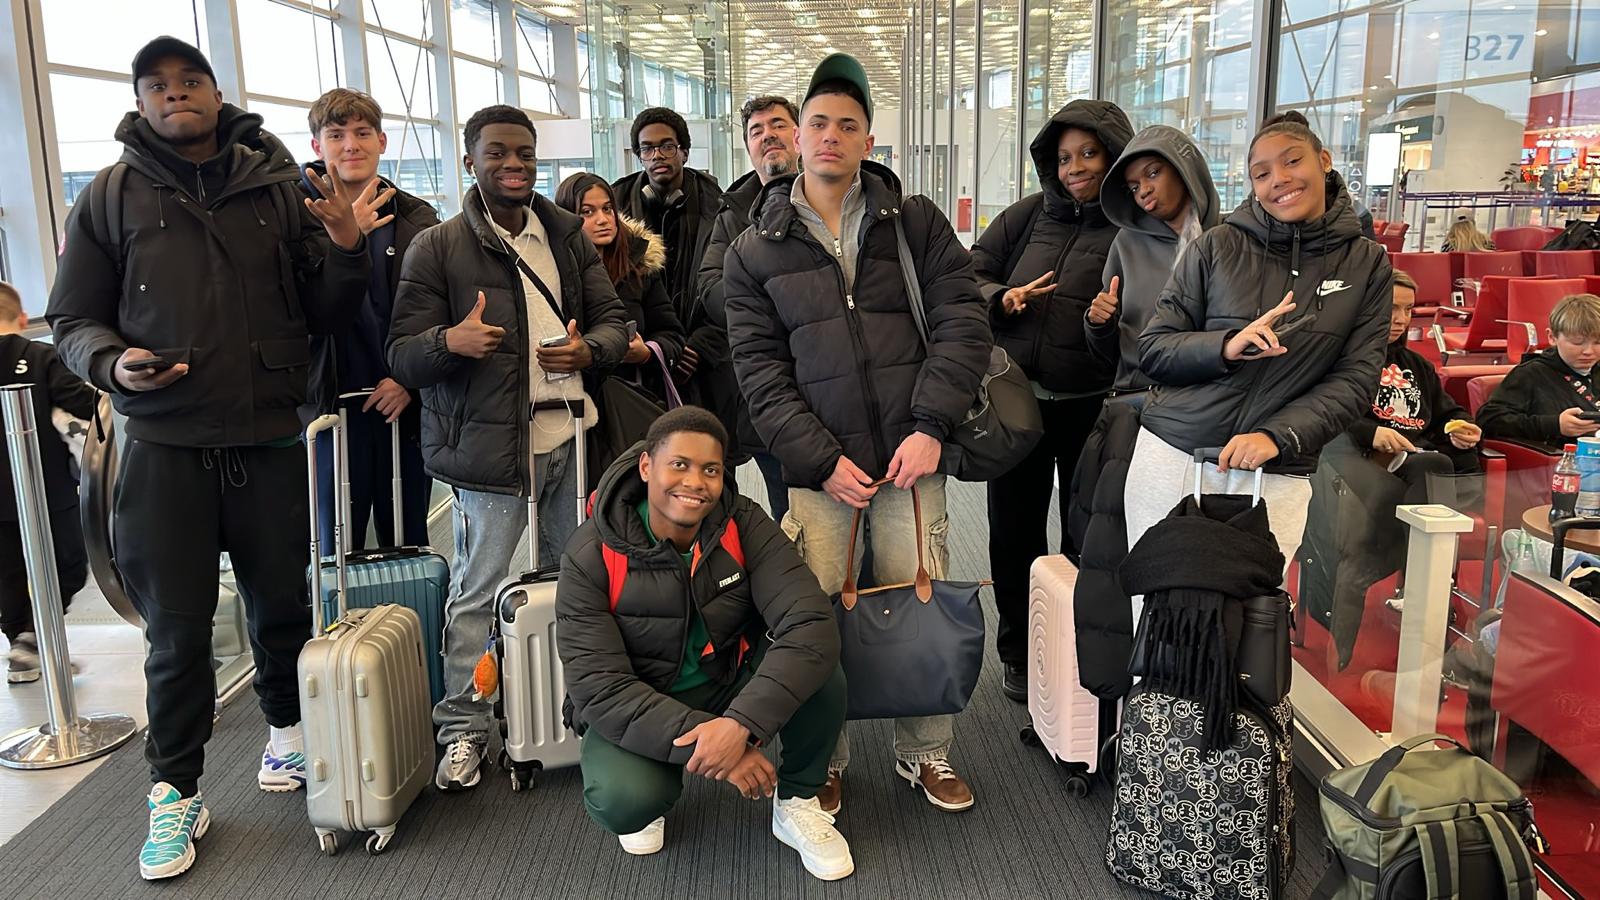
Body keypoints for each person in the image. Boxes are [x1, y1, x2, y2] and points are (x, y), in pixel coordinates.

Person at [45, 36, 377, 880]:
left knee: (282, 607)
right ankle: (176, 790)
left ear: (215, 92)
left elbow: (327, 313)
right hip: (164, 448)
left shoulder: (278, 188)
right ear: (140, 102)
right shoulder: (110, 196)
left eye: (189, 80)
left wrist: (345, 247)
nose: (175, 94)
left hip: (266, 437)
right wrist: (111, 364)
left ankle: (287, 735)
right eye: (157, 86)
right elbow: (73, 319)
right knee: (176, 632)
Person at [724, 53, 992, 814]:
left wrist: (932, 426)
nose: (831, 136)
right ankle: (824, 758)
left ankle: (926, 751)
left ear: (868, 141)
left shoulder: (915, 223)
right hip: (822, 473)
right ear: (796, 137)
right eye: (818, 123)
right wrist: (817, 460)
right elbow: (760, 374)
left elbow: (962, 324)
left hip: (913, 461)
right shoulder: (754, 249)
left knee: (920, 600)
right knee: (814, 617)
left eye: (848, 125)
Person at [387, 104, 628, 793]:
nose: (514, 164)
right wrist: (449, 342)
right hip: (489, 454)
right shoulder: (437, 247)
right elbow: (402, 355)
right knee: (478, 591)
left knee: (575, 586)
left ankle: (567, 715)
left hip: (569, 440)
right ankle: (463, 727)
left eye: (524, 152)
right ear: (471, 161)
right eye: (497, 153)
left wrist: (590, 350)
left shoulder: (567, 236)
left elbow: (613, 321)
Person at [558, 406, 852, 880]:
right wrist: (725, 750)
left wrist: (741, 724)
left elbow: (810, 623)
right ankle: (656, 787)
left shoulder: (743, 522)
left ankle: (797, 799)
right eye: (680, 465)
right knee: (623, 801)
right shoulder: (590, 551)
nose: (695, 482)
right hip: (644, 695)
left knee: (819, 667)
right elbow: (600, 688)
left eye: (710, 470)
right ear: (647, 466)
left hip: (728, 678)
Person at [1124, 110, 1392, 570]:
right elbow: (1154, 348)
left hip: (1277, 468)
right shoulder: (1216, 246)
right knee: (1157, 603)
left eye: (1292, 161)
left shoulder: (1367, 264)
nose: (1278, 180)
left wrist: (1278, 435)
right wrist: (1225, 346)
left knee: (1256, 608)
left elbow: (1356, 378)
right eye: (1261, 173)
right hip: (1175, 452)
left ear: (1324, 160)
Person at [970, 99, 1131, 701]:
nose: (1075, 168)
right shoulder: (1027, 216)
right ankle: (1020, 651)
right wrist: (1001, 297)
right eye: (1064, 158)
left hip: (1094, 404)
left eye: (1088, 153)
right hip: (1018, 403)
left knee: (1084, 536)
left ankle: (1071, 652)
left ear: (1114, 156)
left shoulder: (1131, 227)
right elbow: (968, 273)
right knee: (1013, 533)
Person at [1066, 125, 1220, 703]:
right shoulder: (1127, 245)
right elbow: (1109, 354)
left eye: (1153, 174)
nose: (1144, 191)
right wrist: (1098, 323)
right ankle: (1123, 695)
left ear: (1187, 170)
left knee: (1195, 566)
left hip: (1210, 424)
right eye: (1133, 185)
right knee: (1120, 557)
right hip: (1138, 416)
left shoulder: (1229, 241)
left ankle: (1186, 692)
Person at [1301, 271, 1483, 665]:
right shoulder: (1339, 359)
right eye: (1391, 309)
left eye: (1408, 310)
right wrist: (1371, 433)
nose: (1401, 319)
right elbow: (1321, 414)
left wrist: (1458, 427)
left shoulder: (1417, 365)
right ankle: (1428, 588)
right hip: (1350, 467)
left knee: (1435, 463)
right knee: (1435, 471)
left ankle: (1403, 581)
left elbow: (1445, 412)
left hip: (1414, 465)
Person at [302, 88, 439, 550]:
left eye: (362, 133)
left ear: (382, 141)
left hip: (402, 404)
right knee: (335, 548)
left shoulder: (417, 219)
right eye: (336, 135)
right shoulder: (295, 219)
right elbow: (293, 307)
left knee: (409, 542)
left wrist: (410, 381)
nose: (351, 146)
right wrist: (346, 237)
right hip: (328, 408)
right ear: (318, 146)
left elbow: (438, 310)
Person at [698, 95, 803, 519]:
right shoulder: (733, 213)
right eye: (756, 131)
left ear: (799, 135)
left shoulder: (827, 195)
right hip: (766, 393)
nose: (768, 136)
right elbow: (710, 287)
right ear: (748, 147)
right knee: (790, 517)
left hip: (837, 392)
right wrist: (776, 300)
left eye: (777, 125)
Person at [0, 283, 96, 684]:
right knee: (68, 565)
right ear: (23, 318)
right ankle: (34, 637)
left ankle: (22, 646)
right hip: (46, 489)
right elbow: (85, 403)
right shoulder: (39, 356)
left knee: (6, 574)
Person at [611, 108, 724, 410]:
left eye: (667, 146)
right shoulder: (615, 207)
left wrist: (702, 344)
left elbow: (733, 286)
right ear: (639, 156)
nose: (657, 155)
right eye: (647, 148)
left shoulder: (719, 206)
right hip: (640, 361)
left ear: (684, 152)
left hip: (704, 366)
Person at [554, 172, 685, 404]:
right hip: (571, 400)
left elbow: (671, 334)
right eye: (587, 212)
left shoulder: (639, 264)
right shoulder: (553, 271)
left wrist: (646, 353)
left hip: (632, 399)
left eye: (607, 209)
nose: (603, 220)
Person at [1478, 292, 1600, 449]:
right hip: (1561, 457)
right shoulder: (1530, 374)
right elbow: (1488, 420)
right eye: (1577, 343)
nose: (1588, 351)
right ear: (1552, 337)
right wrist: (1554, 425)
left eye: (1598, 342)